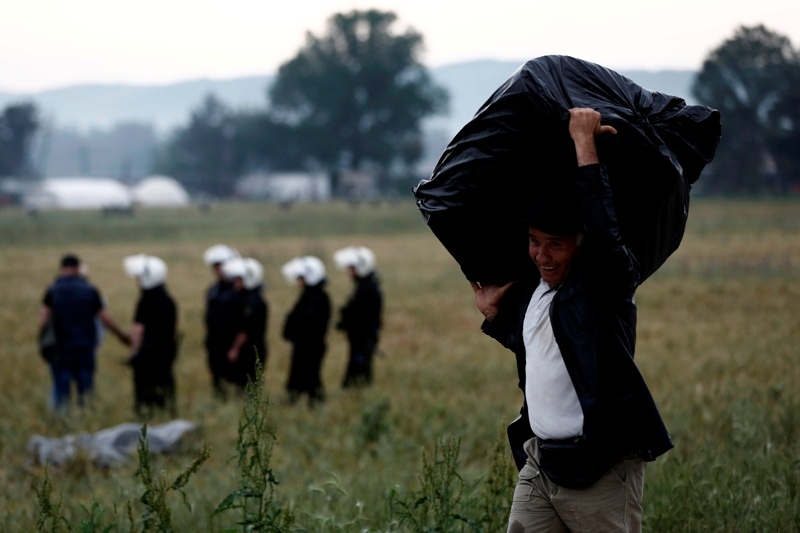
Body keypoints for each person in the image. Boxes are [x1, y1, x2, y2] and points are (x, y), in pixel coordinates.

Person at [471, 108, 673, 532]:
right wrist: (493, 315)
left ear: (580, 246)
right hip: (541, 463)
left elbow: (603, 227)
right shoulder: (538, 293)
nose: (542, 256)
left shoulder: (605, 286)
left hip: (600, 465)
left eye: (555, 245)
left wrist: (584, 142)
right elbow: (548, 348)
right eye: (534, 242)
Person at [38, 254, 130, 410]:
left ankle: (62, 424)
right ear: (78, 268)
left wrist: (42, 340)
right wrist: (121, 335)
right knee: (86, 391)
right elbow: (104, 318)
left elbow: (43, 319)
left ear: (62, 268)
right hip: (85, 347)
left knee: (61, 389)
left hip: (60, 349)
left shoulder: (53, 290)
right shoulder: (89, 290)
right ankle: (86, 421)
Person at [123, 254, 179, 417]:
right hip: (166, 353)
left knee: (145, 394)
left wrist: (134, 352)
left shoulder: (145, 301)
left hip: (147, 355)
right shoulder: (169, 300)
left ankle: (147, 420)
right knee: (165, 389)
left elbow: (138, 330)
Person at [281, 255, 331, 407]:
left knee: (310, 378)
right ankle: (297, 403)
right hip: (304, 346)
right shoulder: (310, 296)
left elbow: (307, 323)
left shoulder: (318, 299)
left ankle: (314, 405)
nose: (298, 281)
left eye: (301, 277)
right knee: (300, 378)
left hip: (311, 346)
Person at [333, 246, 383, 388]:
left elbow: (361, 316)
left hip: (363, 339)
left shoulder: (367, 290)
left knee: (358, 376)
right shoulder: (365, 287)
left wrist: (345, 322)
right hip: (359, 339)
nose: (349, 272)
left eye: (352, 268)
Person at [221, 257, 269, 390]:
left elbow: (247, 329)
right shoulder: (243, 298)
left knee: (248, 384)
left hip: (251, 350)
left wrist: (235, 348)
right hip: (247, 349)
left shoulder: (253, 302)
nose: (235, 282)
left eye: (239, 279)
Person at [202, 243, 241, 399]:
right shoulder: (213, 290)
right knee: (218, 380)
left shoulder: (239, 289)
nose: (218, 270)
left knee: (237, 380)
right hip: (215, 343)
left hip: (232, 342)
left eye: (220, 265)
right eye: (215, 266)